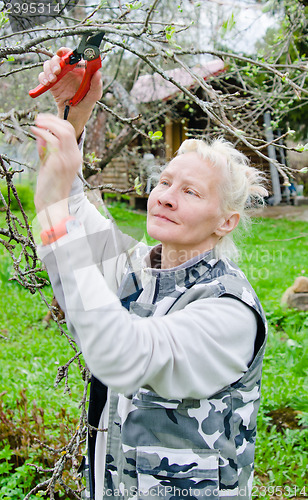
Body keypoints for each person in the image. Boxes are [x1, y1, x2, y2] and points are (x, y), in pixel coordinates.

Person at [32, 49, 268, 500]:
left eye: (191, 191)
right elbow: (71, 214)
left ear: (226, 221)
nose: (165, 197)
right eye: (164, 181)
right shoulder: (140, 267)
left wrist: (53, 211)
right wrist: (74, 117)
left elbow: (123, 356)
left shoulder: (230, 313)